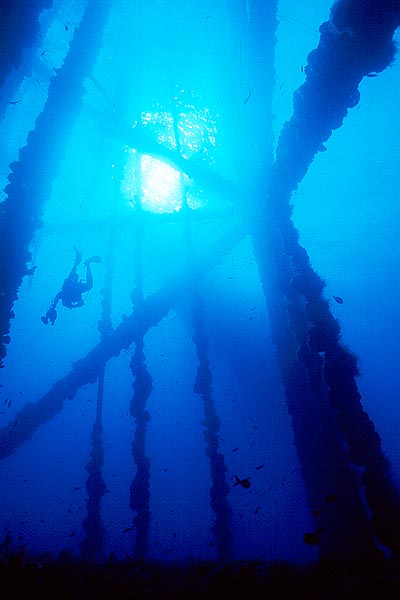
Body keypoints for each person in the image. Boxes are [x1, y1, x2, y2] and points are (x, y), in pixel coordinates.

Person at [41, 247, 101, 325]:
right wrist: (72, 306)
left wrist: (54, 307)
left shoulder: (65, 299)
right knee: (88, 284)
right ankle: (86, 262)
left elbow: (58, 296)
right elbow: (81, 303)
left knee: (75, 272)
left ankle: (81, 259)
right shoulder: (68, 300)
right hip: (75, 287)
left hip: (70, 285)